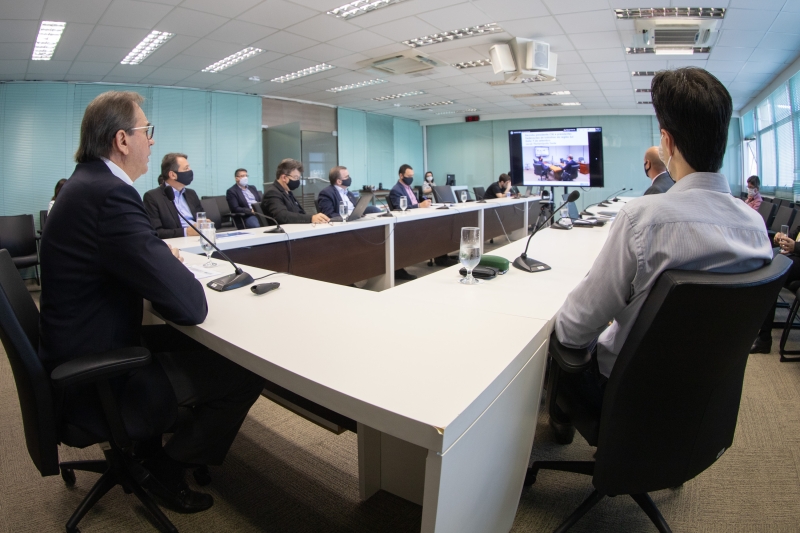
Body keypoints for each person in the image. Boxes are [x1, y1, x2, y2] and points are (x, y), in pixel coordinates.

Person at [38, 91, 265, 513]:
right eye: (147, 130)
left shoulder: (85, 185)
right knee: (245, 370)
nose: (152, 140)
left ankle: (154, 445)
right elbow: (190, 306)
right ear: (123, 140)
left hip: (79, 347)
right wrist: (163, 262)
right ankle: (166, 468)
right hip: (97, 374)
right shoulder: (110, 194)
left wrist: (153, 254)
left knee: (194, 346)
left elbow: (116, 253)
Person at [550, 68, 772, 440]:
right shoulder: (755, 227)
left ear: (667, 142)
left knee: (556, 345)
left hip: (627, 399)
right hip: (706, 399)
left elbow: (573, 329)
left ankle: (559, 428)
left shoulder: (642, 220)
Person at [143, 153, 202, 238]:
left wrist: (204, 223)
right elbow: (157, 231)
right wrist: (186, 232)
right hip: (178, 241)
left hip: (199, 238)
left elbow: (200, 218)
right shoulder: (152, 197)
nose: (190, 170)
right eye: (186, 168)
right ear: (173, 175)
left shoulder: (191, 193)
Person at [262, 158, 329, 225]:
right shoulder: (272, 193)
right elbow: (282, 216)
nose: (297, 181)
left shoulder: (288, 192)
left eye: (298, 178)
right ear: (284, 178)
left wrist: (316, 218)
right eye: (295, 177)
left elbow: (299, 212)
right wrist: (311, 218)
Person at [317, 166, 381, 218]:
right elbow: (329, 215)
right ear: (339, 181)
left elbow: (356, 209)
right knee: (373, 209)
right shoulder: (326, 193)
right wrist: (348, 217)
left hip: (355, 218)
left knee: (373, 209)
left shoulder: (349, 193)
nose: (349, 178)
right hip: (343, 221)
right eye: (347, 177)